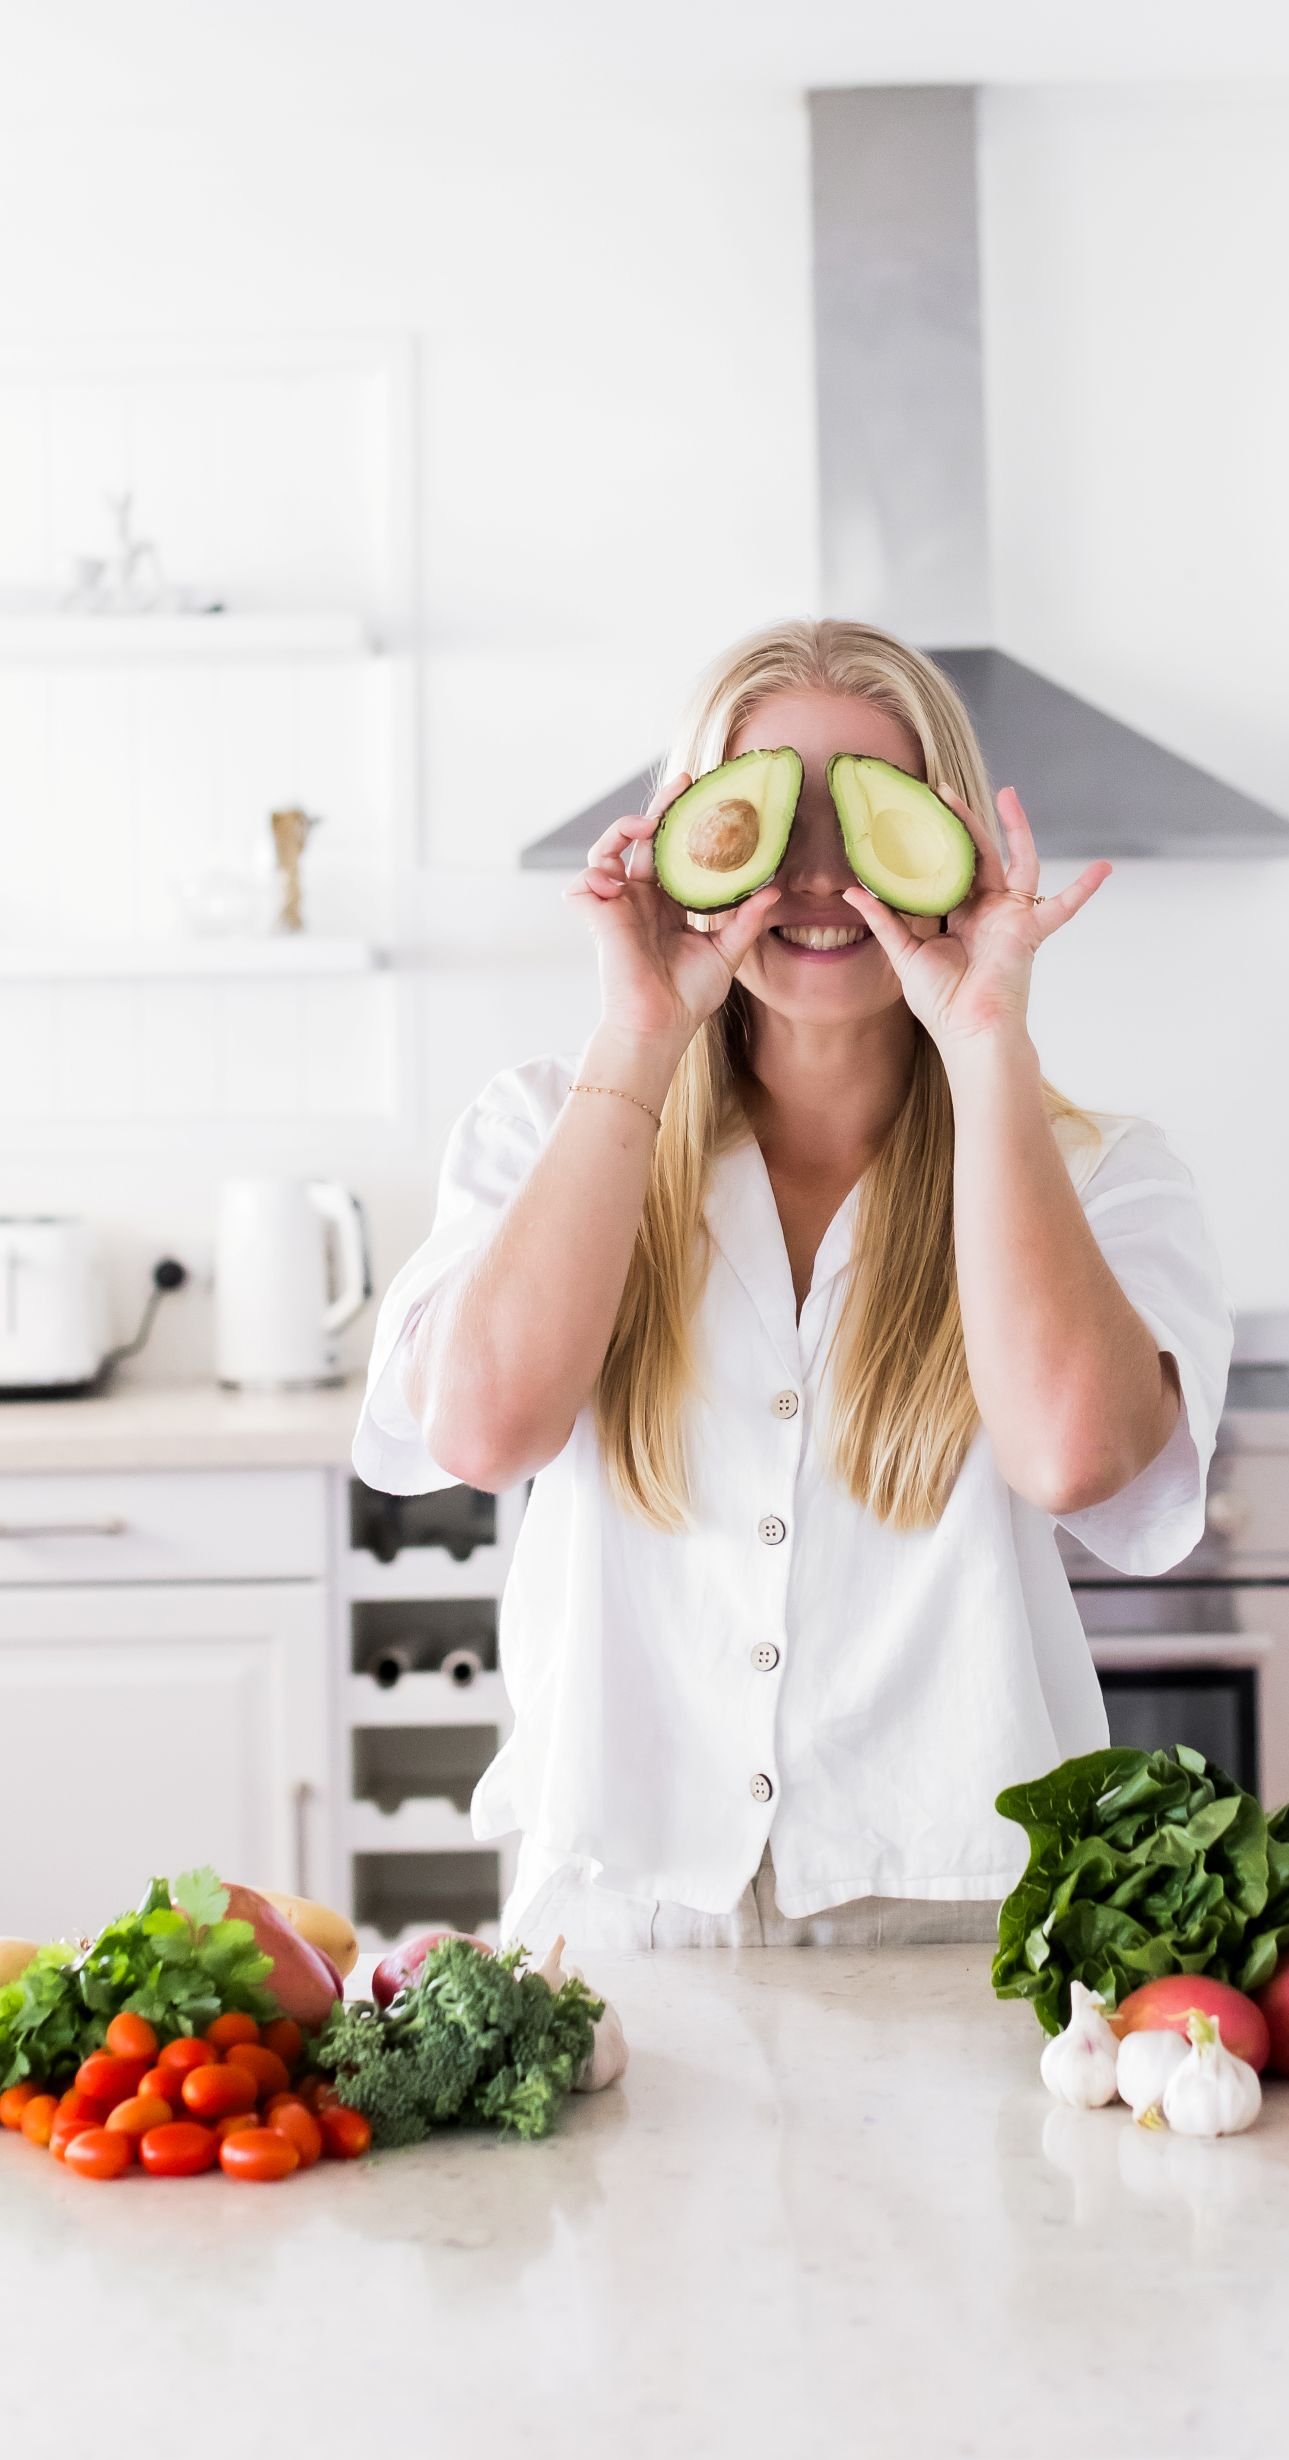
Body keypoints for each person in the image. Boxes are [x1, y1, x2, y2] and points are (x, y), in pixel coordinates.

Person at [353, 619, 1231, 1951]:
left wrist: (985, 1038)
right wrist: (638, 1034)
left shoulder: (1102, 1174)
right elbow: (485, 1430)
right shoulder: (545, 1130)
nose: (819, 875)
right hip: (623, 1936)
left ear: (955, 848)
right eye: (768, 817)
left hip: (960, 1936)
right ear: (684, 840)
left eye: (873, 817)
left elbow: (1074, 1455)